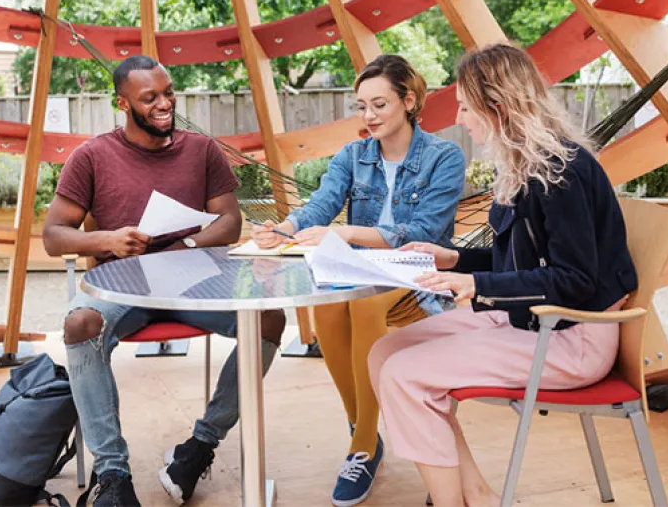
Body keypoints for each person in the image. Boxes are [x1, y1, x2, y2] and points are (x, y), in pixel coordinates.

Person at [367, 43, 638, 507]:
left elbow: (576, 280)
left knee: (404, 376)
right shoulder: (528, 163)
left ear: (498, 107)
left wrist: (477, 287)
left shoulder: (561, 171)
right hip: (529, 318)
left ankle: (452, 500)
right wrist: (453, 261)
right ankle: (474, 493)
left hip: (570, 336)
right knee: (385, 351)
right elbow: (522, 262)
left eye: (467, 107)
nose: (461, 118)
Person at [42, 55, 287, 507]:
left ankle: (200, 446)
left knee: (270, 318)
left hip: (193, 282)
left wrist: (184, 248)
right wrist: (107, 240)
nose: (164, 103)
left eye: (168, 92)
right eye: (149, 97)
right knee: (79, 324)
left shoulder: (201, 149)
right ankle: (113, 475)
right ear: (123, 103)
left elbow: (229, 221)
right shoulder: (92, 156)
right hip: (121, 286)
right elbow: (53, 236)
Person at [251, 54, 466, 506]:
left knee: (363, 302)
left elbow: (425, 233)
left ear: (409, 101)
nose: (368, 117)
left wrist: (347, 233)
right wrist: (282, 231)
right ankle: (362, 428)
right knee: (323, 300)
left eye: (380, 105)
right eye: (361, 106)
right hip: (358, 271)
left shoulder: (444, 157)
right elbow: (320, 206)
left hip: (418, 273)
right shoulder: (353, 155)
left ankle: (363, 447)